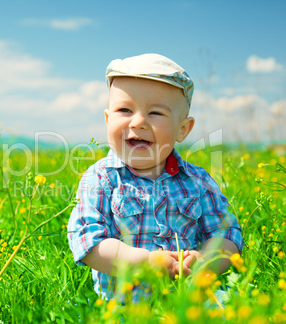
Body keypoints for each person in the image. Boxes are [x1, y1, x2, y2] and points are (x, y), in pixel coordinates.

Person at [67, 53, 244, 302]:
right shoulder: (101, 178)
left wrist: (205, 261)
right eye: (124, 110)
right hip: (125, 305)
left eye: (156, 113)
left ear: (183, 129)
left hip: (190, 301)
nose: (138, 122)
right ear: (108, 120)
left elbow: (227, 234)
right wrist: (146, 263)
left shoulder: (199, 181)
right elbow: (88, 242)